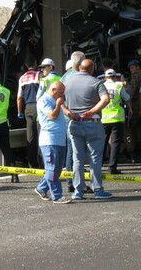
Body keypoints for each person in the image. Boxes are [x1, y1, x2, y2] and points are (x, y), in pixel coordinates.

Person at [64, 59, 112, 200]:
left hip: (74, 123)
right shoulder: (96, 82)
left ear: (79, 68)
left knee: (77, 159)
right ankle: (98, 190)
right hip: (92, 123)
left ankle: (78, 191)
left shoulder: (67, 82)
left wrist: (68, 113)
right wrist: (92, 111)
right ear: (92, 69)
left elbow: (58, 100)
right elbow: (105, 99)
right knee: (95, 158)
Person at [34, 81, 72, 204]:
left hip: (59, 139)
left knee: (57, 169)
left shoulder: (54, 100)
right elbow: (52, 116)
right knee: (52, 169)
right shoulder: (44, 100)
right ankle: (57, 196)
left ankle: (41, 188)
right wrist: (58, 105)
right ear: (54, 90)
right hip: (49, 139)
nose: (62, 95)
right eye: (61, 92)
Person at [61, 51, 85, 193]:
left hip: (66, 117)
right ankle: (76, 182)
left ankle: (71, 181)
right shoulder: (79, 77)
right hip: (77, 117)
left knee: (71, 151)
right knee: (78, 152)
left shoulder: (64, 77)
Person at [102, 68, 132, 174]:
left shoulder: (102, 86)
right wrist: (131, 109)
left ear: (105, 77)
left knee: (102, 143)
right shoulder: (118, 86)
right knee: (115, 144)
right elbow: (127, 98)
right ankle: (112, 168)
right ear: (115, 77)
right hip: (117, 118)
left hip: (104, 118)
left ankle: (98, 166)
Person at [17, 55, 41, 168]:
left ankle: (32, 164)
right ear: (35, 63)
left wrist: (19, 112)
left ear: (26, 65)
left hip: (28, 108)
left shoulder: (22, 78)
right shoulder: (39, 75)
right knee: (41, 134)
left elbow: (19, 97)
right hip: (39, 107)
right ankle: (42, 163)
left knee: (30, 136)